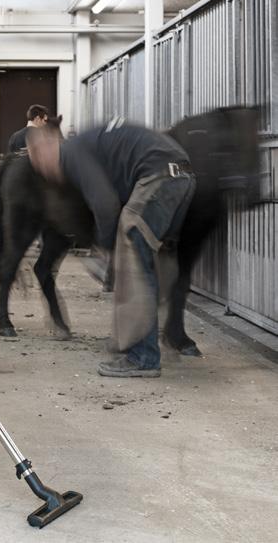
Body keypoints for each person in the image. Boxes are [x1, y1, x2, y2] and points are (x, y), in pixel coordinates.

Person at [26, 117, 196, 378]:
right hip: (182, 175)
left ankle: (143, 357)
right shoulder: (92, 144)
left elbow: (105, 204)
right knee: (147, 260)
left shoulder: (72, 152)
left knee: (132, 258)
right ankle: (136, 341)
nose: (44, 171)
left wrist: (105, 250)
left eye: (39, 163)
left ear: (46, 147)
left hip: (159, 176)